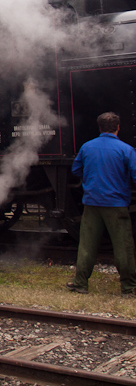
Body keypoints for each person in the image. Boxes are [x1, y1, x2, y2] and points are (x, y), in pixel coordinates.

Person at [67, 112, 136, 296]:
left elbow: (76, 169)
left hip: (92, 203)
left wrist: (91, 179)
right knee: (123, 247)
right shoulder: (126, 150)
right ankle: (128, 288)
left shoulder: (87, 147)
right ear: (118, 127)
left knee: (87, 246)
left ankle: (80, 283)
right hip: (116, 204)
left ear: (99, 128)